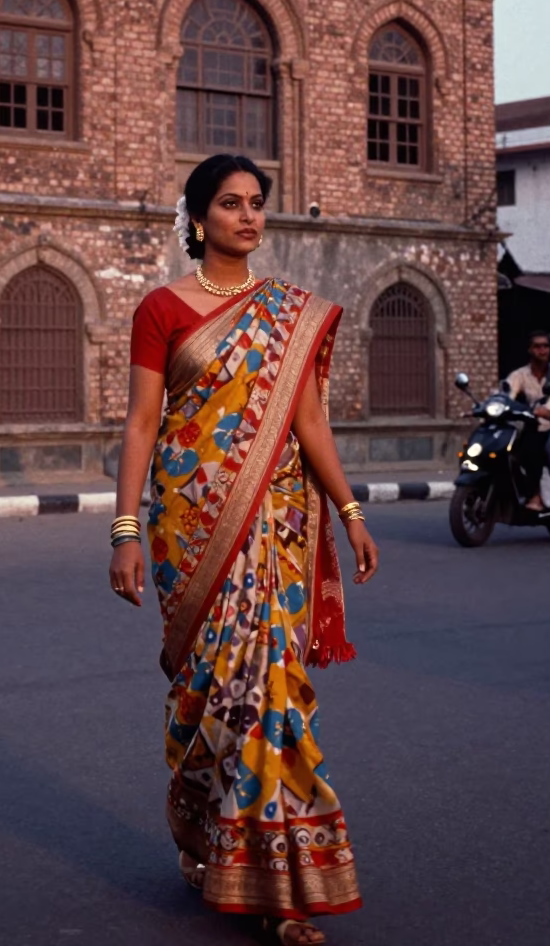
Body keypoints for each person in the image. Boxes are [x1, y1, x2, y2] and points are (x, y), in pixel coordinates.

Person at [109, 154, 378, 946]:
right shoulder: (162, 309)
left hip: (276, 530)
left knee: (271, 697)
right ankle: (222, 844)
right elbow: (140, 425)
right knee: (214, 700)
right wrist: (125, 529)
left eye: (257, 203)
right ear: (199, 218)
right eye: (231, 204)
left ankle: (286, 890)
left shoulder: (286, 314)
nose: (248, 217)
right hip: (191, 530)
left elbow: (311, 425)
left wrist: (351, 508)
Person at [502, 330, 550, 509]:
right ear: (529, 349)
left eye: (545, 346)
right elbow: (507, 391)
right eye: (537, 346)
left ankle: (539, 496)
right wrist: (494, 405)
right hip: (535, 424)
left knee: (545, 448)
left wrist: (548, 411)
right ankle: (523, 491)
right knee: (519, 448)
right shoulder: (521, 374)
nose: (542, 350)